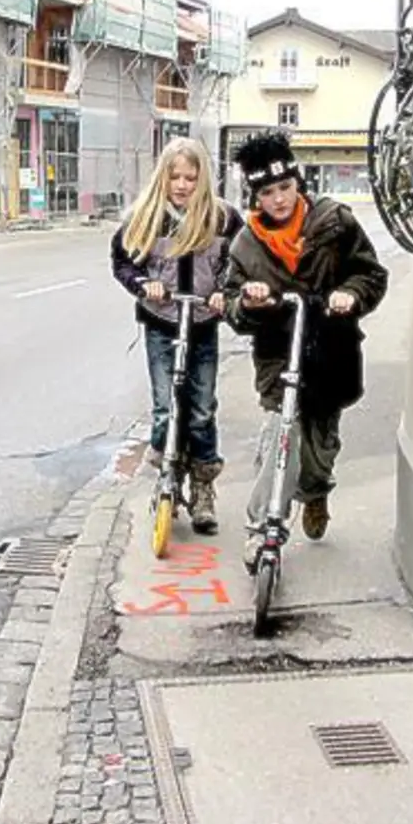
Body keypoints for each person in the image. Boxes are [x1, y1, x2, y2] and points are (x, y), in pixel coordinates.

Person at [222, 130, 389, 564]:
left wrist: (350, 294)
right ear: (255, 195)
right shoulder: (245, 245)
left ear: (298, 183)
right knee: (280, 436)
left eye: (284, 188)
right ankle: (261, 528)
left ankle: (315, 492)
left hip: (331, 351)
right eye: (267, 192)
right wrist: (250, 301)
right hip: (280, 356)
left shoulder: (335, 222)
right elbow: (232, 305)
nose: (277, 199)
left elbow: (371, 274)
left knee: (318, 450)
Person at [111, 137, 245, 535]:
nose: (183, 185)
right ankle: (166, 462)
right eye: (175, 177)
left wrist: (225, 289)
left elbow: (240, 262)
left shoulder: (221, 218)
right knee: (166, 403)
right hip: (161, 320)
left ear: (203, 178)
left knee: (201, 407)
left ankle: (203, 484)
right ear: (162, 178)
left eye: (191, 176)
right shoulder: (147, 216)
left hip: (202, 321)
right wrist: (142, 284)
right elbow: (122, 261)